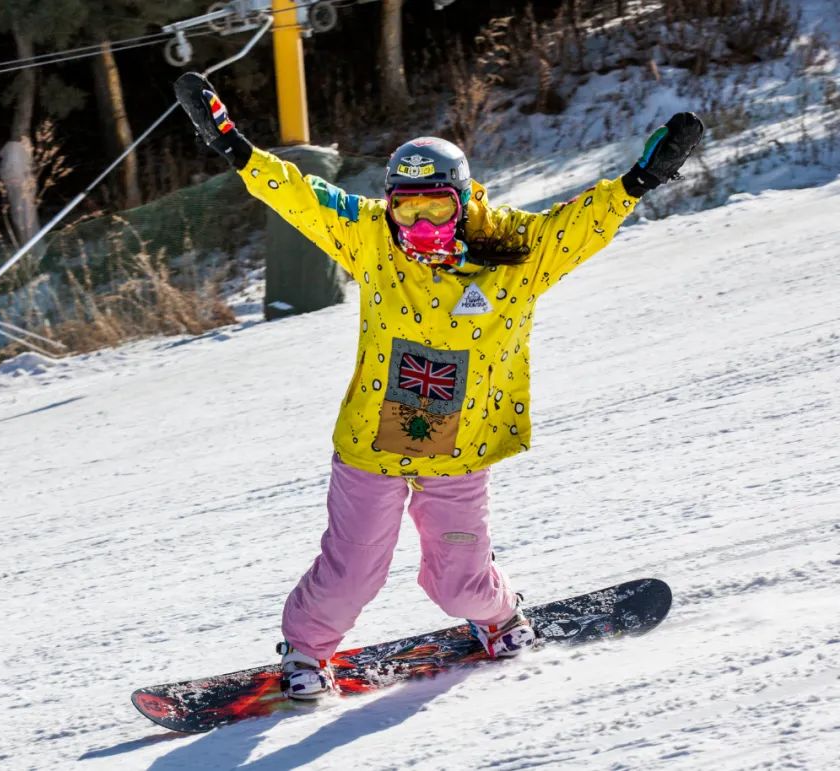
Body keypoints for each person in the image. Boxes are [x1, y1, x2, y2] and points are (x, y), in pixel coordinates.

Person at [175, 72, 703, 700]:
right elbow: (303, 197)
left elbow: (578, 224)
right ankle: (307, 653)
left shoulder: (514, 250)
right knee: (351, 574)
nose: (418, 225)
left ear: (463, 200)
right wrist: (239, 151)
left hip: (459, 450)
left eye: (435, 209)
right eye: (406, 208)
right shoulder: (374, 239)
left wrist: (638, 182)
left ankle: (500, 616)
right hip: (374, 444)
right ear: (390, 205)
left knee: (461, 581)